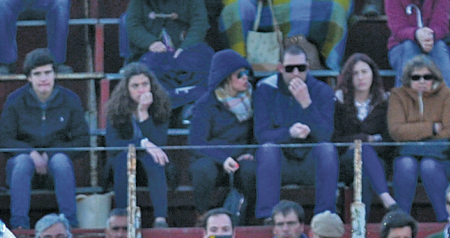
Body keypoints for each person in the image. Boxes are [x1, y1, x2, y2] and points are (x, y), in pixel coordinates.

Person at [0, 49, 87, 230]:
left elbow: (83, 140)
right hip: (22, 169)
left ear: (55, 74)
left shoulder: (70, 99)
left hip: (58, 168)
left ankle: (70, 224)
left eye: (47, 72)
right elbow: (5, 139)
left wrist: (51, 153)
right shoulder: (15, 100)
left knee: (61, 160)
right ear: (29, 78)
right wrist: (30, 153)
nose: (43, 78)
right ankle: (20, 227)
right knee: (22, 162)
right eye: (37, 74)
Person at [252, 38, 336, 221]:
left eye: (301, 68)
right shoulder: (266, 90)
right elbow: (261, 134)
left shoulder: (322, 90)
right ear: (281, 68)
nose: (296, 73)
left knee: (327, 150)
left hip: (310, 160)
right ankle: (268, 217)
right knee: (267, 149)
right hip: (280, 161)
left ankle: (325, 217)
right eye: (290, 69)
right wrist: (289, 133)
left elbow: (325, 134)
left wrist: (307, 104)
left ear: (308, 66)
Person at [123, 0, 212, 103]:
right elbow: (133, 24)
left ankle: (190, 105)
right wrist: (150, 42)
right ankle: (163, 106)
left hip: (185, 48)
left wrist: (186, 47)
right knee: (150, 67)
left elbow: (199, 22)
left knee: (203, 61)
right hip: (153, 52)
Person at [386, 54, 450, 219]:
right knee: (405, 164)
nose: (422, 81)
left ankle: (445, 221)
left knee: (429, 165)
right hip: (408, 156)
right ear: (408, 79)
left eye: (427, 77)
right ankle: (400, 220)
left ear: (435, 77)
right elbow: (396, 131)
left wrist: (412, 132)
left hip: (441, 158)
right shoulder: (398, 95)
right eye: (416, 77)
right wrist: (431, 128)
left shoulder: (447, 94)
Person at [186, 50, 257, 216]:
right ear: (225, 78)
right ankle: (202, 215)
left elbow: (257, 134)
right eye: (240, 74)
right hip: (214, 158)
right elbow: (197, 142)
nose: (246, 77)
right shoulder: (205, 104)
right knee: (203, 168)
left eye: (247, 73)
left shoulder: (254, 99)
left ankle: (249, 217)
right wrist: (223, 158)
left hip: (241, 156)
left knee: (250, 168)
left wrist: (249, 153)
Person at [104, 63, 171, 227]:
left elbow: (160, 142)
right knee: (124, 158)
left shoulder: (160, 106)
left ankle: (160, 219)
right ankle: (124, 218)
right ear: (127, 89)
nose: (141, 90)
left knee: (153, 159)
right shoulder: (116, 109)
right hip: (123, 165)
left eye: (145, 84)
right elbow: (113, 145)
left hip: (152, 168)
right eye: (135, 86)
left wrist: (143, 114)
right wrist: (143, 143)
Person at [335, 53, 396, 215]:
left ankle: (360, 226)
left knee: (365, 170)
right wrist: (365, 140)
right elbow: (335, 139)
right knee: (365, 151)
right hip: (346, 162)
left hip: (377, 161)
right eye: (355, 73)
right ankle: (386, 198)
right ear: (348, 77)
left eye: (364, 72)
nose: (360, 77)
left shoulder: (385, 102)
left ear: (373, 75)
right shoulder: (338, 102)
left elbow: (389, 140)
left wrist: (361, 144)